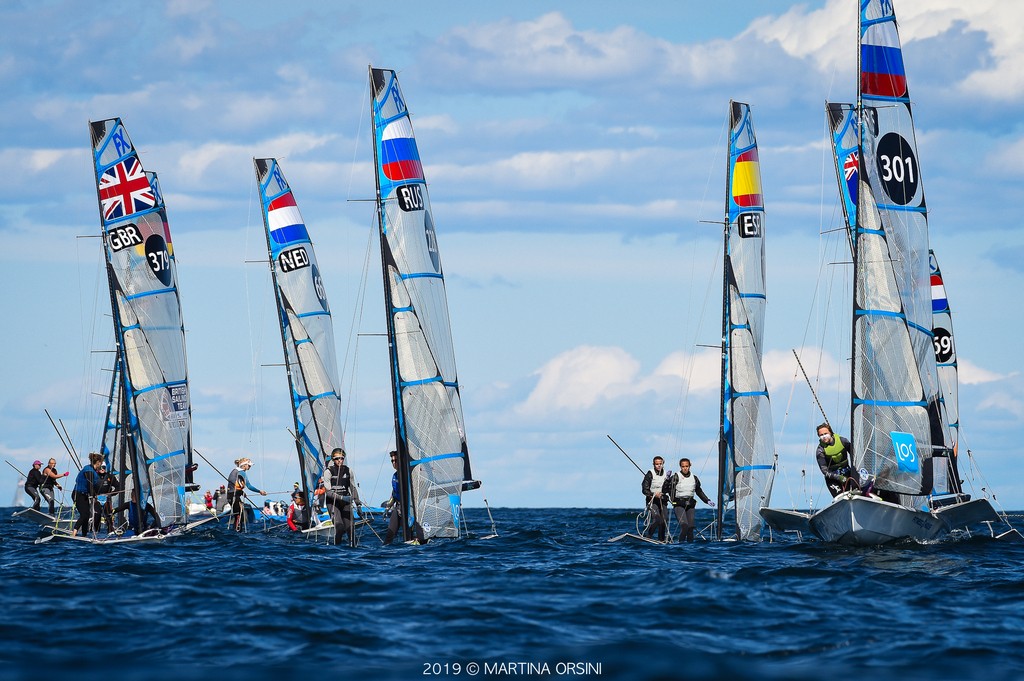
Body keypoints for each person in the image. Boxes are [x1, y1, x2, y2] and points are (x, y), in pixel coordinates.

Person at [667, 458, 714, 542]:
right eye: (683, 466)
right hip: (679, 504)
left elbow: (699, 491)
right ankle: (680, 544)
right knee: (684, 526)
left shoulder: (694, 478)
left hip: (690, 504)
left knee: (691, 527)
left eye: (687, 466)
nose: (685, 468)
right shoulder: (675, 477)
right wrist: (667, 480)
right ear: (680, 467)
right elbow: (666, 489)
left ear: (690, 466)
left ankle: (690, 546)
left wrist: (707, 500)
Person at [323, 448, 361, 546]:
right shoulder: (328, 472)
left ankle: (354, 550)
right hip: (333, 502)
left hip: (346, 502)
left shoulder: (349, 471)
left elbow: (353, 488)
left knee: (350, 528)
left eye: (341, 458)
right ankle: (337, 550)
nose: (339, 460)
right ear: (333, 459)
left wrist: (358, 504)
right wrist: (342, 498)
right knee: (339, 527)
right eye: (337, 459)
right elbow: (328, 493)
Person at [815, 423, 859, 498]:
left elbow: (854, 455)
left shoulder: (843, 441)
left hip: (847, 474)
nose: (824, 436)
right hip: (832, 479)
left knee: (856, 494)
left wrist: (856, 470)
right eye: (821, 435)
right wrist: (838, 477)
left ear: (831, 433)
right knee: (841, 498)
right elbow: (824, 471)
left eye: (825, 433)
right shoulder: (820, 451)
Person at [226, 458, 266, 530]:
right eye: (249, 465)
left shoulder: (235, 470)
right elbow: (249, 486)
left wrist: (241, 492)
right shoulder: (242, 472)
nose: (250, 467)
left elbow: (233, 485)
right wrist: (260, 491)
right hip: (234, 496)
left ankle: (235, 531)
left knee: (237, 515)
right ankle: (237, 533)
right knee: (239, 516)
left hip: (230, 495)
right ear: (244, 466)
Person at [71, 453, 105, 536]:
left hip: (85, 495)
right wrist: (93, 496)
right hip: (78, 494)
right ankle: (73, 533)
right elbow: (90, 485)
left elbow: (94, 487)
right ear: (98, 462)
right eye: (101, 462)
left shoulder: (94, 471)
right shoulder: (88, 469)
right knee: (84, 515)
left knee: (86, 516)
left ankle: (84, 535)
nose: (101, 465)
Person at [641, 456, 669, 541]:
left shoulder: (666, 474)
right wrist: (653, 494)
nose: (659, 466)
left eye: (660, 464)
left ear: (663, 464)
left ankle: (662, 540)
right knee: (657, 519)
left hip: (662, 500)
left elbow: (668, 488)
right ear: (654, 464)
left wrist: (668, 481)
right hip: (652, 500)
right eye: (657, 464)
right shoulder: (650, 474)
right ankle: (648, 537)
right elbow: (644, 490)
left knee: (664, 520)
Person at [95, 462, 120, 533]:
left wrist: (111, 494)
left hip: (107, 500)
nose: (102, 469)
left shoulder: (110, 476)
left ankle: (110, 532)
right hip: (96, 500)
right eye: (101, 467)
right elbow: (89, 487)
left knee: (109, 517)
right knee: (97, 516)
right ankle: (95, 532)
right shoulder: (94, 476)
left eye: (104, 467)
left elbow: (118, 486)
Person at [383, 450, 401, 545]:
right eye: (392, 461)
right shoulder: (395, 476)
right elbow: (394, 493)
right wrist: (388, 507)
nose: (394, 463)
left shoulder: (408, 474)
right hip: (398, 508)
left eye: (396, 460)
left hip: (409, 509)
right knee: (389, 536)